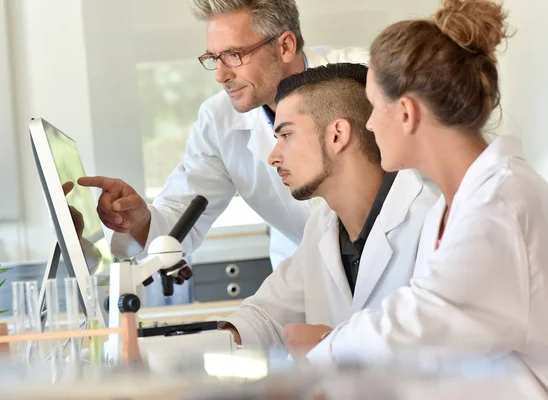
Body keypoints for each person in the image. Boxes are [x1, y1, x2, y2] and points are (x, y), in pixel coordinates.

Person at [306, 0, 548, 390]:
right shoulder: (451, 207)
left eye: (372, 106)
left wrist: (323, 357)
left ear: (405, 113)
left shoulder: (499, 206)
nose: (367, 123)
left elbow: (419, 323)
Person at [78, 0, 368, 268]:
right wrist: (140, 220)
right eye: (213, 57)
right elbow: (180, 219)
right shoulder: (219, 121)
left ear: (285, 46)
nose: (220, 75)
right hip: (306, 278)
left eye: (233, 55)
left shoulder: (367, 81)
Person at [216, 63, 437, 358]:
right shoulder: (322, 225)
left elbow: (441, 351)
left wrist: (329, 342)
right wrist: (206, 343)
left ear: (337, 135)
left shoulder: (430, 221)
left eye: (286, 135)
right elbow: (268, 316)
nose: (273, 157)